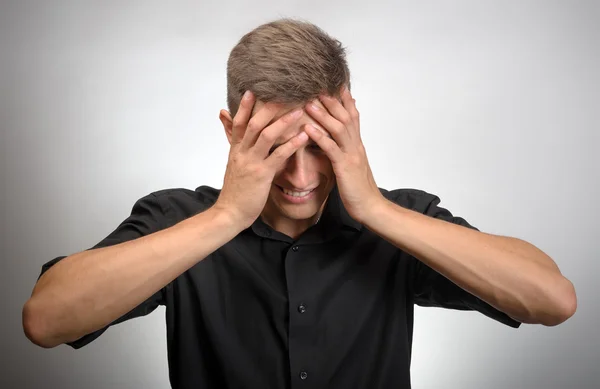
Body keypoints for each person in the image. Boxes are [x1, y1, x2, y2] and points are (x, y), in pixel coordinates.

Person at [22, 18, 577, 389]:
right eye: (275, 147)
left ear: (351, 130)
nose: (301, 176)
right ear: (231, 131)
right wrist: (225, 218)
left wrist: (377, 211)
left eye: (321, 147)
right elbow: (46, 321)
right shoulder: (178, 221)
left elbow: (553, 301)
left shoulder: (403, 221)